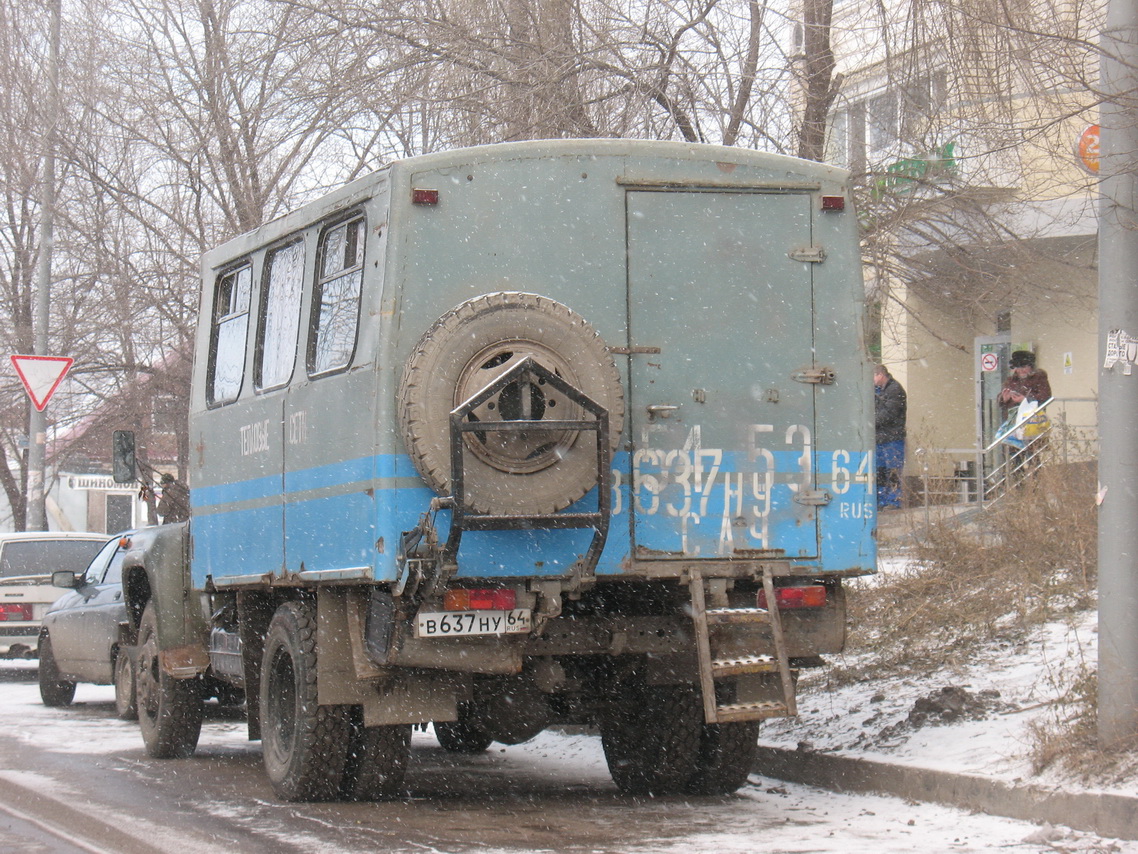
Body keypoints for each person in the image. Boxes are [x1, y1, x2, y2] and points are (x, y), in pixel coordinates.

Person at [874, 365, 907, 509]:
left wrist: (869, 422)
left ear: (880, 375)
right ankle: (881, 501)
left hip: (893, 439)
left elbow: (888, 414)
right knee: (880, 472)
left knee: (893, 471)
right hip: (879, 439)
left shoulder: (895, 390)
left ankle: (893, 501)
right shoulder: (877, 390)